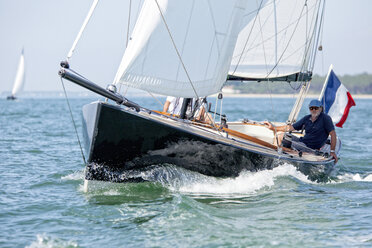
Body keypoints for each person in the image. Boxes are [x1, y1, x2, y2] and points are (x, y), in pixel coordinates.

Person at [264, 99, 338, 163]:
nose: (314, 110)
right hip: (302, 142)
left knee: (285, 144)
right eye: (311, 108)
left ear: (321, 108)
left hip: (310, 147)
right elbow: (291, 128)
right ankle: (277, 152)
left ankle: (281, 153)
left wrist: (332, 152)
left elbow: (333, 134)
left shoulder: (325, 118)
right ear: (309, 108)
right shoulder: (307, 118)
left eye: (316, 108)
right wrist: (274, 128)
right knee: (280, 135)